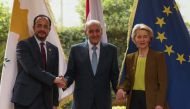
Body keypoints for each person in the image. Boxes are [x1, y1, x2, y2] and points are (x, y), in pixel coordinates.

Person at [11, 15, 65, 109]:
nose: (42, 29)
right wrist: (54, 79)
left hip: (46, 101)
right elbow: (31, 68)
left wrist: (54, 103)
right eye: (39, 25)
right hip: (25, 99)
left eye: (45, 26)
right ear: (33, 27)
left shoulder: (54, 49)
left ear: (49, 29)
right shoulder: (23, 45)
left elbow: (54, 74)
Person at [63, 20, 119, 109]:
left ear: (101, 31)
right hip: (81, 102)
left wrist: (119, 90)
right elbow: (70, 73)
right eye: (91, 31)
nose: (95, 34)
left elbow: (114, 76)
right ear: (86, 32)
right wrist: (65, 82)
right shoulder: (75, 50)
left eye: (97, 31)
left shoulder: (112, 50)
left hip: (103, 103)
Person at [116, 24, 169, 109]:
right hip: (134, 100)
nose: (142, 39)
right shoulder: (130, 58)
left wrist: (159, 104)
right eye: (139, 37)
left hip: (152, 101)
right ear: (134, 39)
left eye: (145, 37)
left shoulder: (158, 57)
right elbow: (128, 80)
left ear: (149, 39)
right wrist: (122, 89)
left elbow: (163, 83)